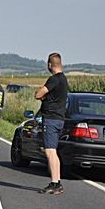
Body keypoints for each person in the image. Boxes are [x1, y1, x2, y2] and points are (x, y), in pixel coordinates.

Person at [34, 52, 69, 194]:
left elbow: (38, 94)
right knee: (53, 151)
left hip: (51, 118)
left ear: (50, 64)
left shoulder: (54, 79)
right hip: (59, 118)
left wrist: (42, 96)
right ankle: (56, 182)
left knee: (50, 151)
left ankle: (55, 182)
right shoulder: (64, 80)